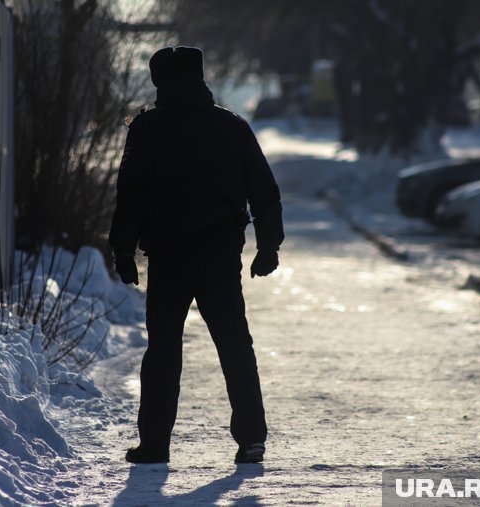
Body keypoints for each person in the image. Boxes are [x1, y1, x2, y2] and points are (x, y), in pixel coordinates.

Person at [109, 46, 284, 464]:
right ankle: (251, 439)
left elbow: (131, 194)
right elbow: (264, 190)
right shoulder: (232, 126)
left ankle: (154, 444)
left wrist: (123, 251)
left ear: (158, 82)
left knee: (163, 352)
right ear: (201, 77)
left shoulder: (147, 129)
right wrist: (268, 246)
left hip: (169, 258)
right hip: (219, 257)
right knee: (235, 346)